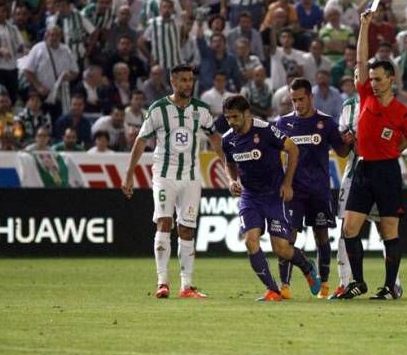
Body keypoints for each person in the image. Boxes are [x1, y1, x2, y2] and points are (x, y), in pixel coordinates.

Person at [336, 9, 407, 300]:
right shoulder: (364, 95)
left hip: (388, 171)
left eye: (378, 79)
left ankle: (390, 287)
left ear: (390, 80)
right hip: (363, 170)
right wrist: (364, 25)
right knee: (349, 229)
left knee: (389, 231)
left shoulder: (403, 113)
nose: (372, 83)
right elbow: (361, 60)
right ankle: (358, 282)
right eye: (371, 79)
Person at [122, 64, 223, 299]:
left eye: (191, 80)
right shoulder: (158, 109)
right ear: (173, 82)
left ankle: (186, 287)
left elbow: (216, 139)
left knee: (186, 228)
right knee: (164, 223)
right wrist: (129, 175)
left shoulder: (201, 110)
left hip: (190, 178)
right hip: (164, 176)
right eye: (184, 80)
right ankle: (162, 283)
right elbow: (140, 141)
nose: (189, 84)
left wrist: (230, 173)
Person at [221, 94, 321, 302]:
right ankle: (273, 290)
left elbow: (292, 149)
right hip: (250, 197)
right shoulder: (228, 139)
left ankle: (306, 266)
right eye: (227, 118)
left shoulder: (265, 130)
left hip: (274, 195)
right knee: (250, 241)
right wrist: (232, 180)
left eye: (235, 117)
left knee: (282, 249)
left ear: (246, 113)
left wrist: (287, 183)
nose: (231, 122)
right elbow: (228, 162)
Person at [275, 78, 350, 299]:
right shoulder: (283, 123)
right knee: (288, 237)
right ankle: (285, 286)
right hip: (293, 191)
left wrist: (349, 140)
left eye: (301, 99)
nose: (297, 104)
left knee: (321, 236)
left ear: (311, 97)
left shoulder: (326, 123)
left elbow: (343, 152)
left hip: (319, 190)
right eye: (293, 100)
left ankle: (324, 285)